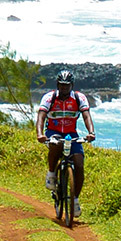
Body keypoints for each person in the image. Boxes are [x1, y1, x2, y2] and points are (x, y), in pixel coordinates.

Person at [36, 69, 96, 219]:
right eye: (61, 85)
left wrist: (91, 132)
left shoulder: (78, 98)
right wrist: (40, 134)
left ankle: (74, 199)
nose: (64, 88)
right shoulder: (49, 98)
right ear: (57, 85)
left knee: (79, 164)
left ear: (71, 86)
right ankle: (51, 173)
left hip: (71, 134)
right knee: (55, 146)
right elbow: (41, 117)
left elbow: (87, 116)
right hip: (53, 132)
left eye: (67, 86)